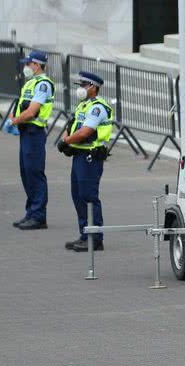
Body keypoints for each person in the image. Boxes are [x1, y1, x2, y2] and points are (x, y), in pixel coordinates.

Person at [58, 71, 113, 252]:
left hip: (90, 157)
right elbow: (72, 126)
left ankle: (95, 238)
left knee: (89, 197)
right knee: (78, 196)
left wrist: (66, 141)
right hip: (79, 156)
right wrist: (67, 139)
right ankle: (85, 234)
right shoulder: (83, 106)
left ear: (93, 87)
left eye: (83, 85)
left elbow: (86, 132)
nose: (80, 88)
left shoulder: (97, 107)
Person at [6, 50, 55, 230]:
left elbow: (32, 111)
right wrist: (15, 116)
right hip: (26, 132)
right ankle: (31, 212)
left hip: (34, 132)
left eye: (28, 64)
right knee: (26, 173)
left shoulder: (43, 84)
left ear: (36, 64)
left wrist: (14, 120)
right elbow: (22, 106)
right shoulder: (31, 83)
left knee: (34, 173)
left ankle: (39, 215)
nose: (25, 67)